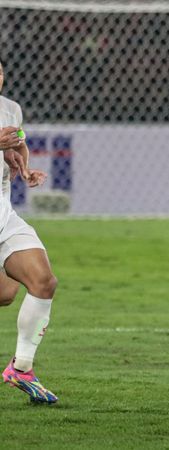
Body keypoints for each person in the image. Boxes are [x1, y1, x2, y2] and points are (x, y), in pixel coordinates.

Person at [0, 59, 59, 404]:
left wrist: (21, 161)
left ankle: (21, 368)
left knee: (43, 281)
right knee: (5, 295)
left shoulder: (11, 109)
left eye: (1, 72)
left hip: (4, 214)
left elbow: (17, 142)